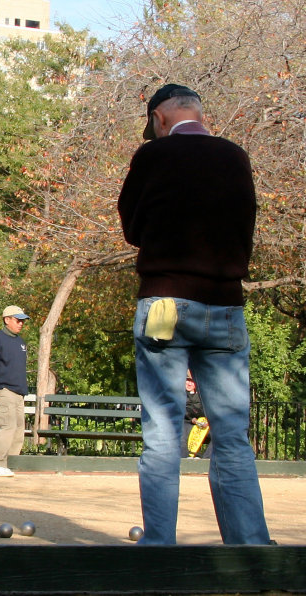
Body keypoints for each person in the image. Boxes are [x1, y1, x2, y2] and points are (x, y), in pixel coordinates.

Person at [118, 83, 270, 545]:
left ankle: (160, 547)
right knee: (231, 435)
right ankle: (250, 547)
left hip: (166, 301)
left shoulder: (153, 158)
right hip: (226, 306)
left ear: (160, 118)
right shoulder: (236, 157)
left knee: (163, 430)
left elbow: (132, 227)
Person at [0, 305, 30, 477]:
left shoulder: (20, 342)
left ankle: (9, 463)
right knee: (8, 427)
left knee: (18, 429)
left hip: (19, 393)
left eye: (22, 321)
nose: (21, 324)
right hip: (4, 389)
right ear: (7, 320)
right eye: (18, 320)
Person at [181, 375, 212, 459]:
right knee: (182, 434)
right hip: (186, 422)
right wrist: (193, 420)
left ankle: (206, 460)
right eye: (188, 380)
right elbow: (182, 410)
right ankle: (185, 459)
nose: (189, 383)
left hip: (202, 424)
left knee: (217, 434)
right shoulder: (180, 393)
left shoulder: (203, 394)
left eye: (192, 381)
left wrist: (208, 421)